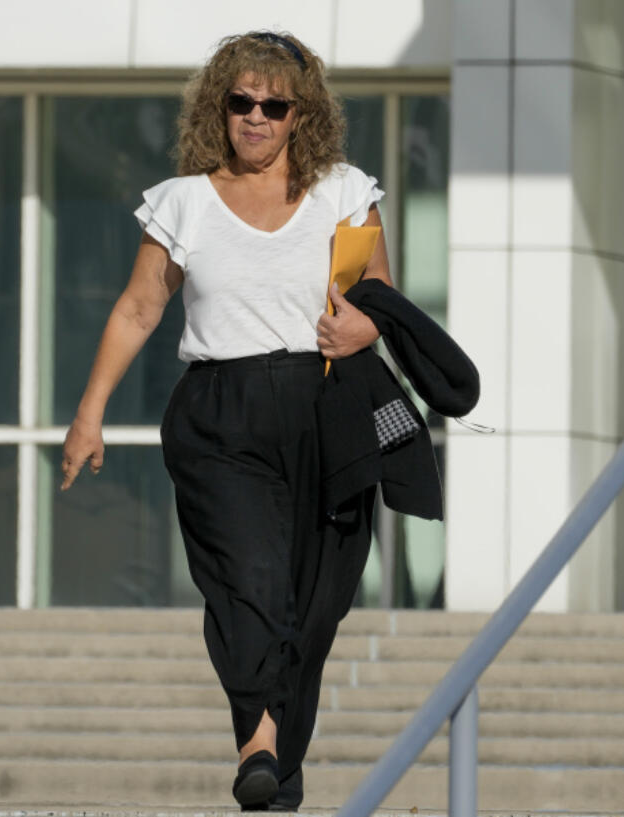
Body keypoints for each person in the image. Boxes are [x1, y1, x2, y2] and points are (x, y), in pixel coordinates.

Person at [61, 32, 394, 810]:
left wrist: (362, 329)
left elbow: (380, 293)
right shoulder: (181, 202)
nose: (255, 117)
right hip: (222, 415)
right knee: (250, 580)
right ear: (220, 107)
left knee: (317, 600)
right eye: (240, 102)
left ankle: (283, 755)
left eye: (273, 105)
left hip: (326, 405)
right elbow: (141, 306)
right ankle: (258, 741)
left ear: (300, 115)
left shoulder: (344, 191)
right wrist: (88, 413)